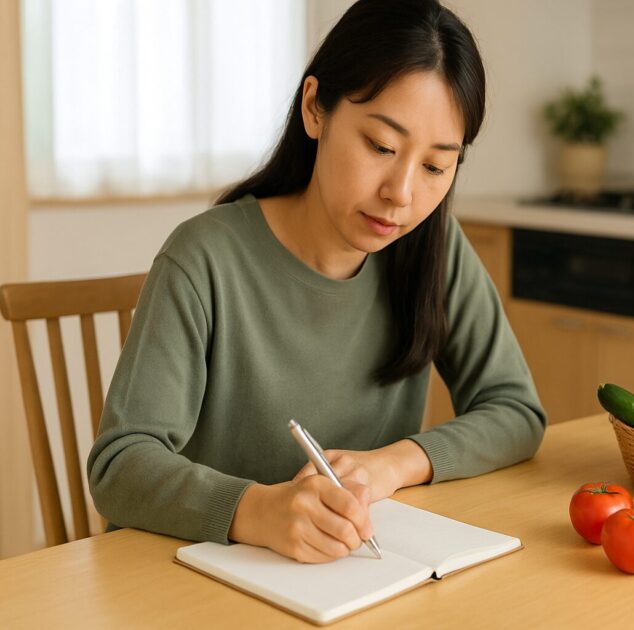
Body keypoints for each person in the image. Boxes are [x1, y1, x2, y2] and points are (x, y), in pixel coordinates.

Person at [87, 0, 545, 564]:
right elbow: (121, 464)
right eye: (380, 146)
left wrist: (394, 463)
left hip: (349, 578)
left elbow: (516, 411)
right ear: (315, 109)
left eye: (434, 166)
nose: (401, 193)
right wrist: (256, 510)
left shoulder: (433, 250)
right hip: (197, 580)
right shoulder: (205, 256)